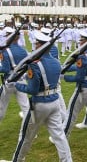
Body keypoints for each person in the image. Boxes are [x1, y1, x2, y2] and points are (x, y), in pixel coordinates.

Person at [5, 30, 72, 162]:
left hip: (39, 104)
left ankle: (17, 160)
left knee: (25, 137)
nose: (34, 46)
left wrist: (15, 85)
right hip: (54, 102)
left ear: (39, 46)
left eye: (36, 44)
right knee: (59, 136)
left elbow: (32, 89)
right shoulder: (56, 62)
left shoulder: (35, 64)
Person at [0, 27, 29, 121]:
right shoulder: (23, 50)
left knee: (1, 107)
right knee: (25, 107)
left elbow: (5, 69)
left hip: (9, 81)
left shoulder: (5, 51)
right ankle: (31, 131)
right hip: (21, 80)